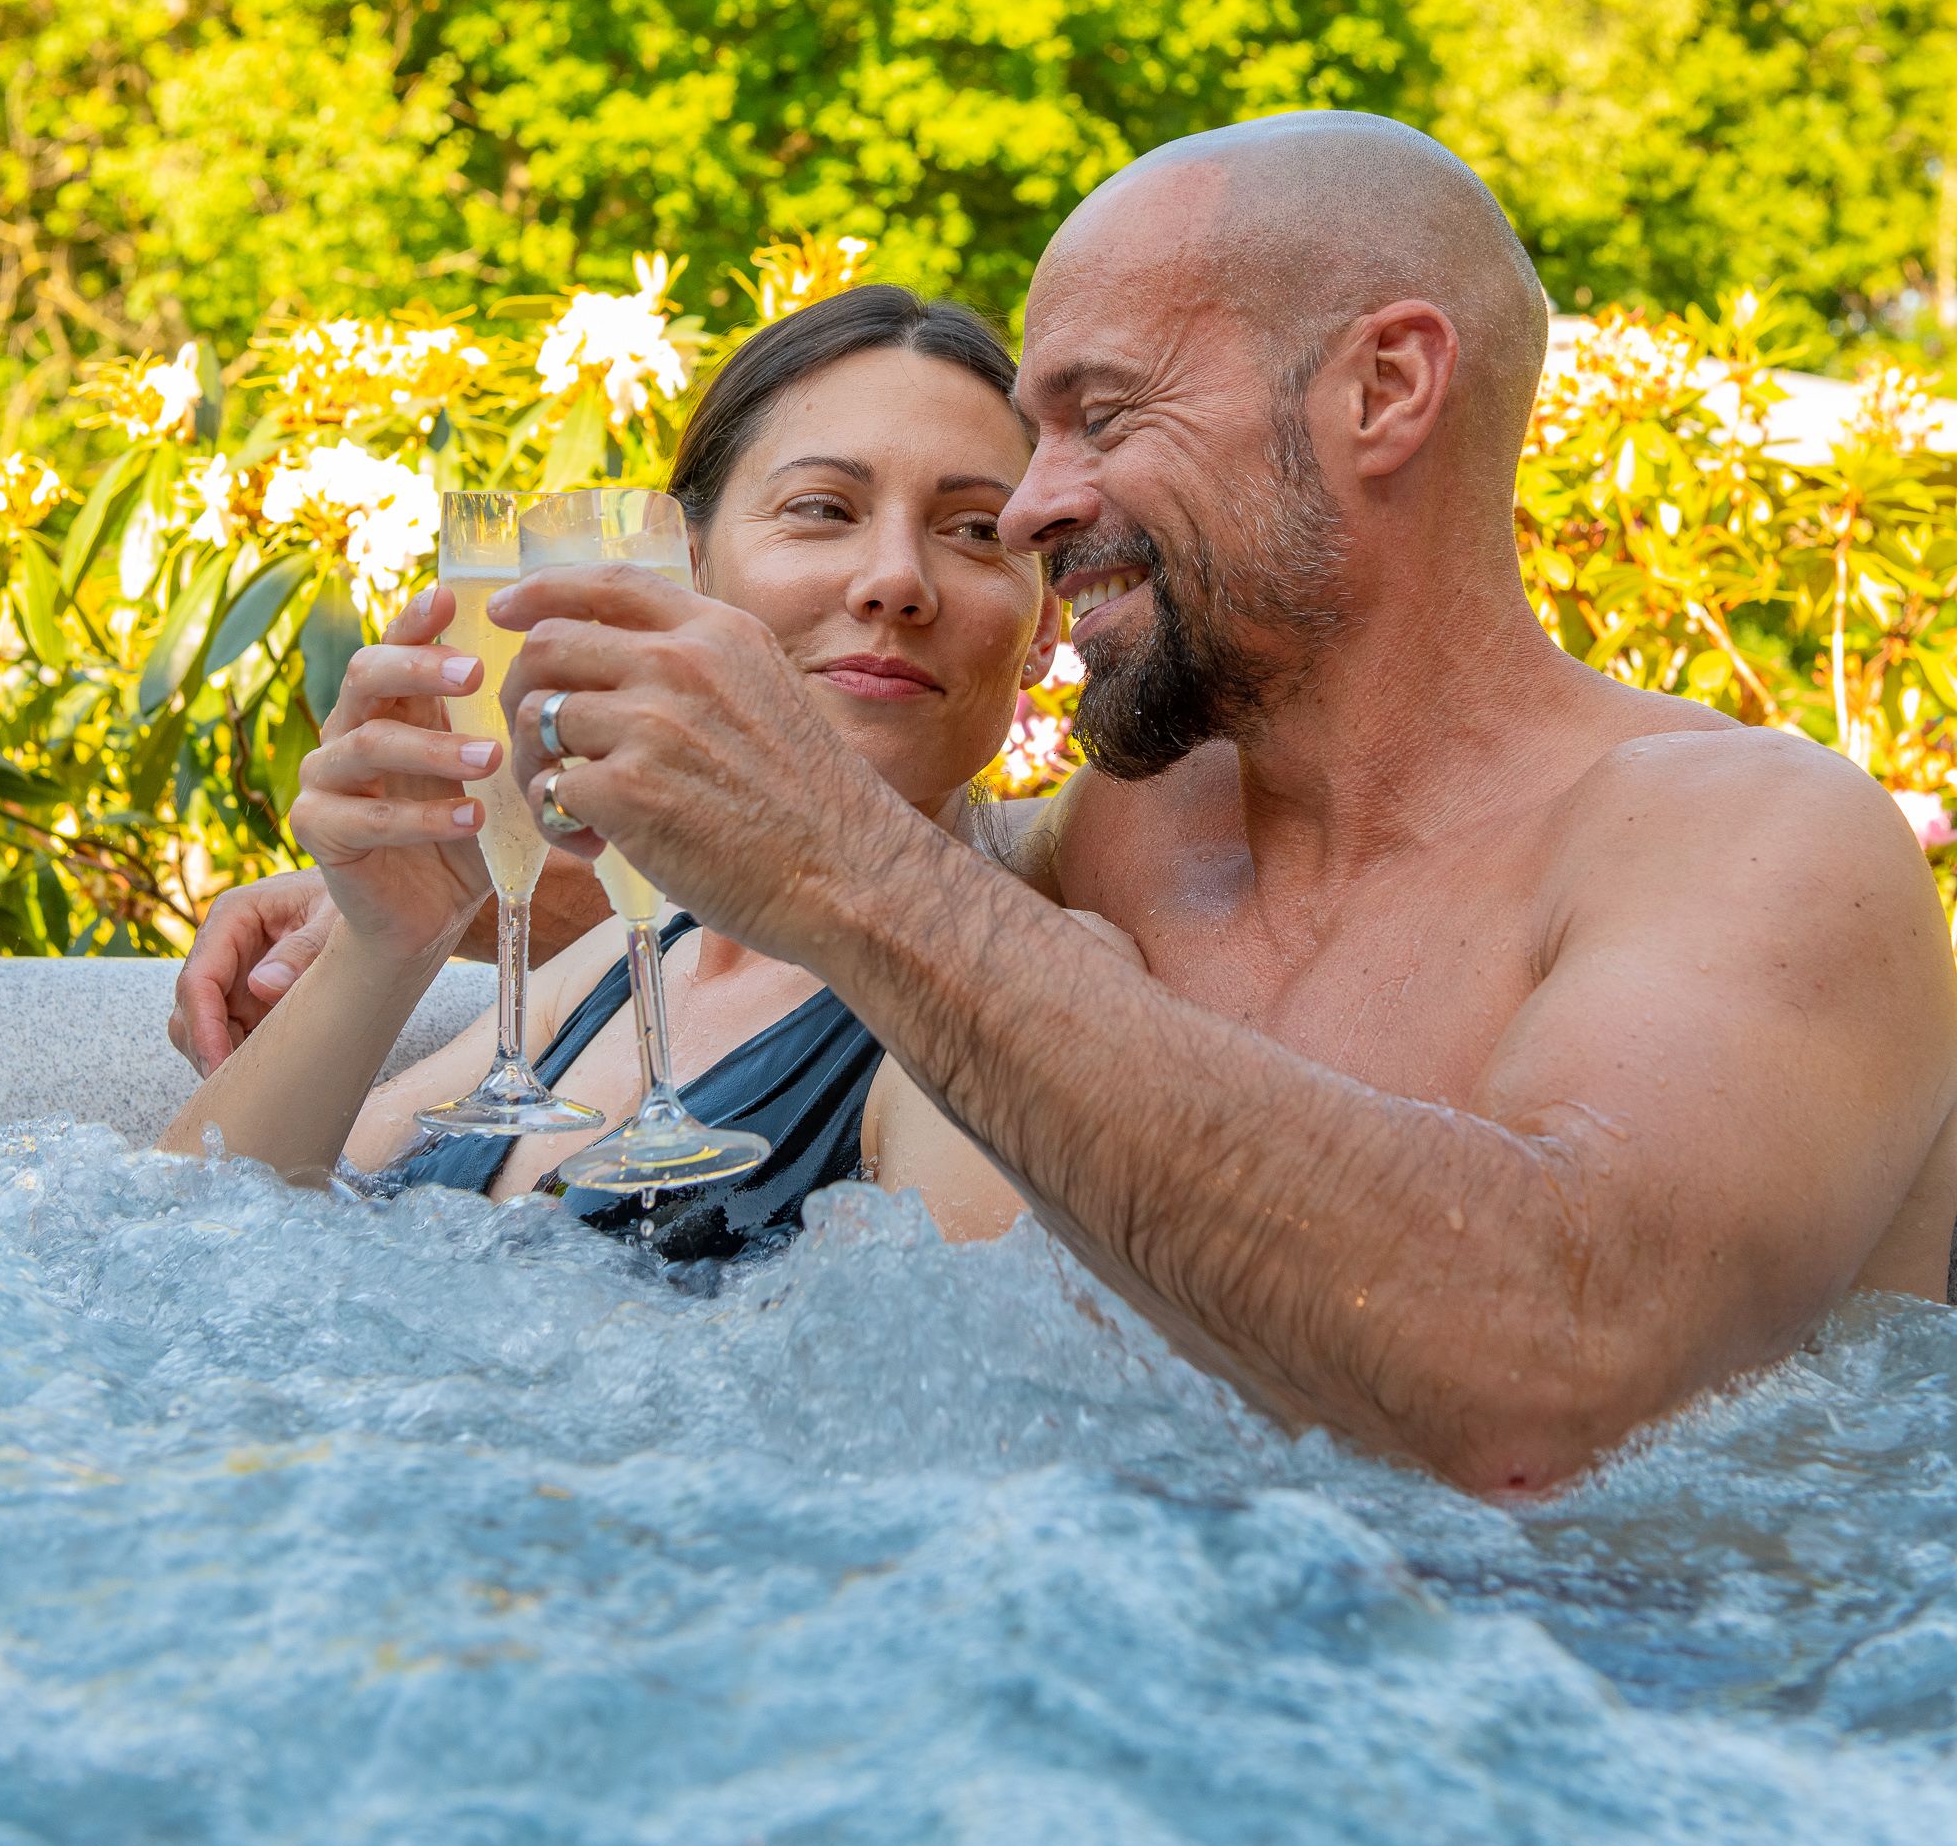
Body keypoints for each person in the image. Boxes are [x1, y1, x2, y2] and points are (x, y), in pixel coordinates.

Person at [457, 112, 1957, 1491]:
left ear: (1383, 390)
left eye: (1100, 415)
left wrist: (842, 864)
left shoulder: (1755, 842)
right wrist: (445, 906)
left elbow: (1552, 1377)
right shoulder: (1127, 835)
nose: (1037, 505)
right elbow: (826, 910)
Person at [162, 290, 1127, 1252]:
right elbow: (177, 1253)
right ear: (686, 575)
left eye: (973, 531)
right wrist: (389, 942)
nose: (894, 582)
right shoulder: (632, 964)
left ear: (1043, 629)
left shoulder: (1033, 1002)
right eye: (823, 509)